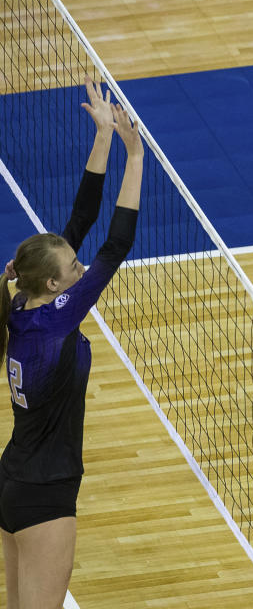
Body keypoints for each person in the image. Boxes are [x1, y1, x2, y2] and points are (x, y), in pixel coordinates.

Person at [0, 77, 143, 608]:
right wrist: (134, 155)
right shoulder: (58, 319)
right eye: (74, 270)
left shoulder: (22, 304)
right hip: (45, 495)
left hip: (14, 480)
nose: (81, 271)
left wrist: (102, 134)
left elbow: (78, 226)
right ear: (56, 284)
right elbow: (116, 243)